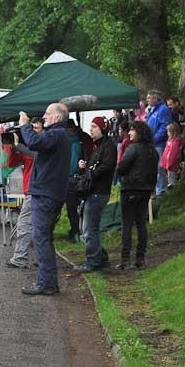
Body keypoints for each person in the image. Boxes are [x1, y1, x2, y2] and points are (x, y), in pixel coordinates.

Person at [19, 103, 71, 296]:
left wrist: (25, 125)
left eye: (48, 114)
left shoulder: (56, 135)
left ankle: (46, 283)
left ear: (58, 118)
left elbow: (34, 143)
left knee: (40, 237)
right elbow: (36, 147)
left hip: (46, 193)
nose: (44, 116)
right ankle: (49, 281)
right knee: (44, 238)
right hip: (52, 192)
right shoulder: (60, 136)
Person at [73, 117, 117, 273]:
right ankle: (100, 257)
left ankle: (93, 261)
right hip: (93, 192)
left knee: (89, 229)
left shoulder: (108, 146)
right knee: (88, 228)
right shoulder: (97, 146)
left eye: (94, 127)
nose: (90, 129)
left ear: (102, 128)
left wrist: (90, 173)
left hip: (99, 192)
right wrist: (85, 168)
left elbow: (107, 166)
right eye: (90, 126)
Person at [116, 122, 159, 269]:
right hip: (146, 189)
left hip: (130, 188)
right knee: (141, 223)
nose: (129, 133)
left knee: (127, 223)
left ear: (139, 132)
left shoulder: (133, 148)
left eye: (132, 131)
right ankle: (140, 258)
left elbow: (121, 168)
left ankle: (125, 259)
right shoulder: (153, 151)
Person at [5, 118, 43, 269]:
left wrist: (19, 145)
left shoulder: (42, 146)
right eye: (30, 129)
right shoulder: (26, 147)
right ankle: (40, 259)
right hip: (31, 190)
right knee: (37, 227)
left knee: (25, 224)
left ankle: (21, 258)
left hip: (37, 190)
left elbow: (37, 156)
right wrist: (12, 147)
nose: (32, 132)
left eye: (36, 129)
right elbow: (12, 163)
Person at [146, 90, 173, 196]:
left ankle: (161, 190)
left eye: (149, 98)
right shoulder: (152, 110)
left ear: (155, 98)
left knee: (159, 167)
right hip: (151, 143)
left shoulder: (163, 109)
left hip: (159, 143)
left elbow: (165, 126)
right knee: (153, 167)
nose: (147, 100)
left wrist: (154, 139)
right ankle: (156, 189)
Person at [64, 120, 85, 243]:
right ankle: (77, 231)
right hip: (77, 178)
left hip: (70, 178)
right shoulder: (79, 141)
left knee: (72, 210)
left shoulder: (70, 143)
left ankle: (76, 232)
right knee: (76, 209)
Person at [159, 123, 184, 189]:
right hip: (169, 165)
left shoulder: (175, 142)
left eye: (169, 131)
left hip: (172, 166)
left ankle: (173, 193)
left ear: (173, 132)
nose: (167, 133)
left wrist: (169, 165)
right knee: (170, 178)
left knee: (172, 180)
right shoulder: (170, 141)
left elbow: (172, 156)